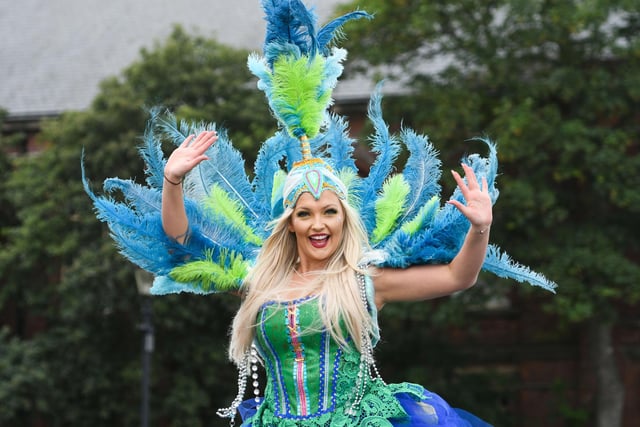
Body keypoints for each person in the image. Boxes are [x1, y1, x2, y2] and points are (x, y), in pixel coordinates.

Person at [160, 130, 494, 426]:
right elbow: (183, 243)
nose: (318, 225)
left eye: (329, 212)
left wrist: (480, 228)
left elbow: (456, 276)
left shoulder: (364, 280)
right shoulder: (262, 283)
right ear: (290, 224)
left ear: (343, 219)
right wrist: (172, 181)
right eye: (305, 214)